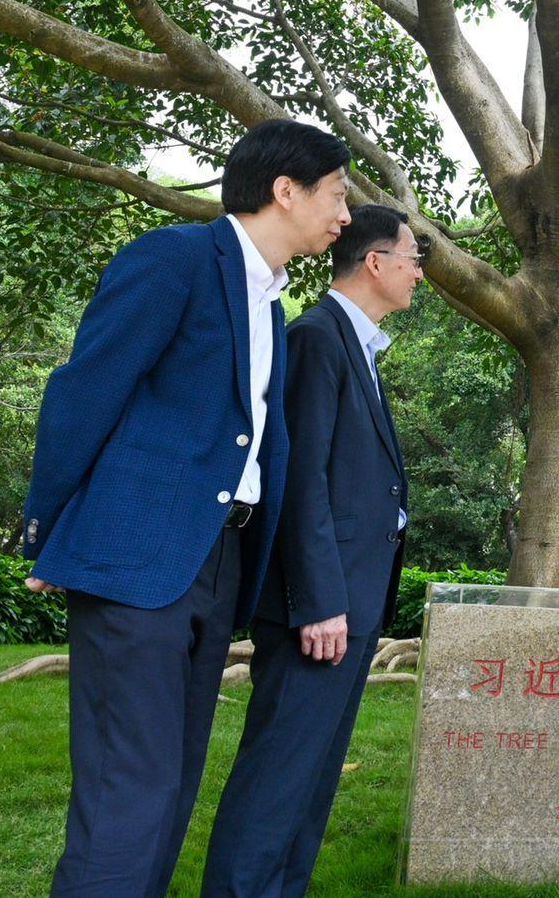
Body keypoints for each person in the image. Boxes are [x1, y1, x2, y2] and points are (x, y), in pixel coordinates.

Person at [20, 118, 352, 897]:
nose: (343, 216)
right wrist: (47, 525)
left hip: (221, 561)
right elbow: (84, 389)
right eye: (336, 195)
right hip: (138, 559)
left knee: (171, 789)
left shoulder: (269, 306)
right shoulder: (173, 259)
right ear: (284, 190)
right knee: (127, 793)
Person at [202, 204, 425, 897]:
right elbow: (301, 485)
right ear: (375, 262)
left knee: (310, 785)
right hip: (318, 612)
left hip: (351, 608)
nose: (421, 272)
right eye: (415, 256)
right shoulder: (317, 339)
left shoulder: (354, 344)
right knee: (277, 780)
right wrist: (319, 603)